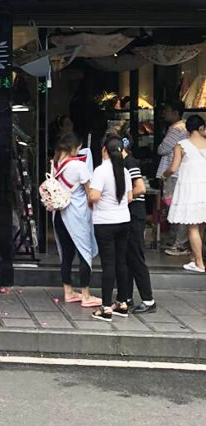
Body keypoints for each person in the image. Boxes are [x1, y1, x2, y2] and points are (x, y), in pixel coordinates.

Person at [50, 132, 100, 308]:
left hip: (58, 215)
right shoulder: (79, 166)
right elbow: (90, 192)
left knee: (66, 255)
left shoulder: (55, 163)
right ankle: (86, 295)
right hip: (76, 215)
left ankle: (68, 291)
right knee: (84, 254)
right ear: (73, 147)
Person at [88, 135, 132, 321]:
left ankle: (106, 307)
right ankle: (122, 303)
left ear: (104, 150)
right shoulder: (125, 171)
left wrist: (89, 194)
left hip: (105, 222)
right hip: (123, 220)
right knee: (121, 261)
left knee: (108, 264)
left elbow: (94, 196)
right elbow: (130, 197)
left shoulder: (101, 171)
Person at [164, 114, 206, 274]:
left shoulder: (182, 145)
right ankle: (195, 258)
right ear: (201, 128)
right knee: (200, 224)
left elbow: (173, 168)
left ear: (187, 129)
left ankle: (199, 263)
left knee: (192, 226)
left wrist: (164, 175)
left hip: (191, 190)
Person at [122, 136, 156, 314]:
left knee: (135, 257)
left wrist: (124, 197)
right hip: (129, 215)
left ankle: (148, 300)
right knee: (126, 257)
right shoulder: (125, 163)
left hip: (135, 215)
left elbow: (140, 188)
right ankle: (126, 296)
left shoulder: (130, 163)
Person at [158, 101, 189, 256]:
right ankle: (175, 239)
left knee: (174, 207)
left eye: (167, 110)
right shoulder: (185, 128)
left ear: (176, 113)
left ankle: (178, 243)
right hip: (179, 174)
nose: (164, 113)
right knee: (176, 207)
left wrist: (164, 175)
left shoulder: (176, 129)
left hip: (172, 174)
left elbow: (162, 148)